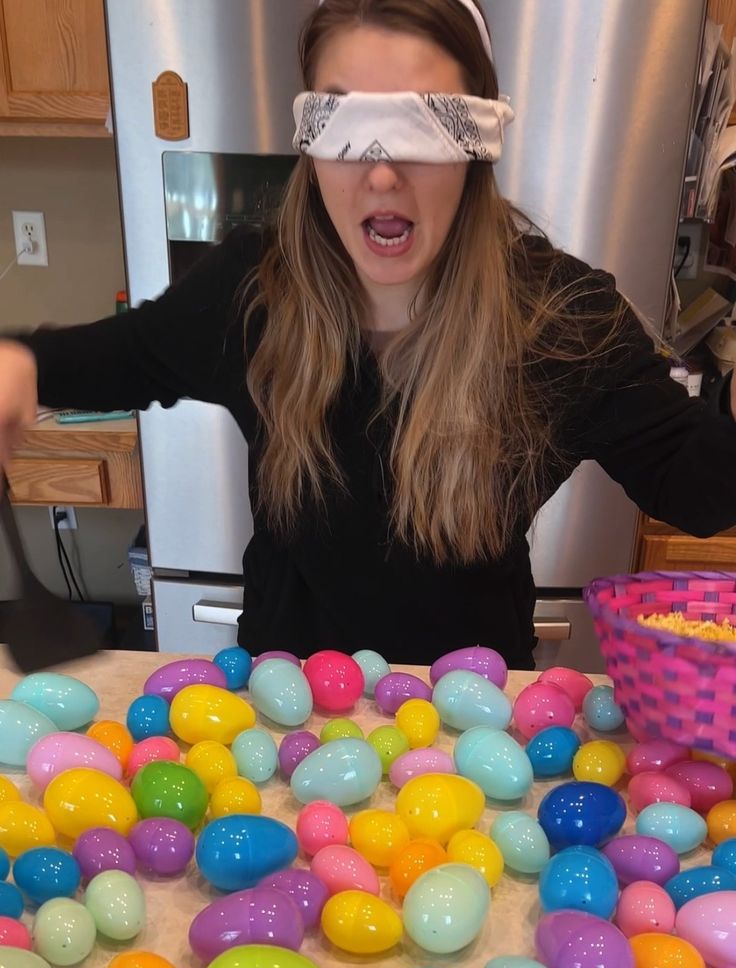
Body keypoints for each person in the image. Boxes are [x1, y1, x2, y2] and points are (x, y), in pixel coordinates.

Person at [1, 0, 735, 667]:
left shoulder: (559, 319)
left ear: (477, 139)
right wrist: (22, 363)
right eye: (345, 126)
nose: (381, 174)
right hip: (284, 726)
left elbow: (699, 486)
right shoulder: (253, 293)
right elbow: (115, 357)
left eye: (421, 123)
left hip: (469, 734)